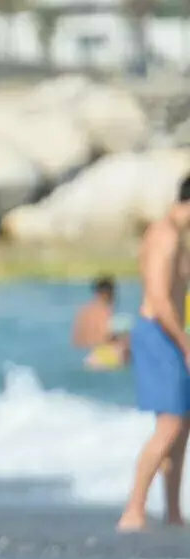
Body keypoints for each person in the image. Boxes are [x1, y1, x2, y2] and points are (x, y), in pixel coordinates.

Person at [118, 176, 190, 532]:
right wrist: (185, 344)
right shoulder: (167, 236)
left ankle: (173, 513)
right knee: (170, 424)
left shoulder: (172, 235)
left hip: (166, 334)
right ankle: (134, 510)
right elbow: (160, 300)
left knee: (182, 425)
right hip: (160, 334)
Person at [72, 276, 130, 369]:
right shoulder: (104, 310)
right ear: (108, 294)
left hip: (83, 356)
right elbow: (104, 336)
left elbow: (77, 340)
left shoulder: (83, 310)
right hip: (99, 356)